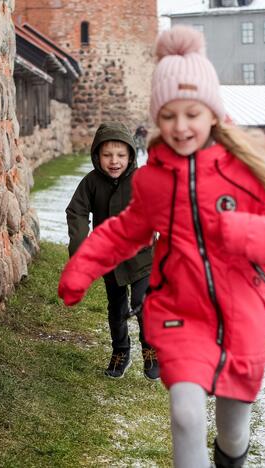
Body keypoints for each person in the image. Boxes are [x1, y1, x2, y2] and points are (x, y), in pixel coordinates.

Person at [58, 26, 265, 467]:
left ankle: (229, 456)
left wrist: (244, 233)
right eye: (169, 115)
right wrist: (81, 267)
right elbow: (123, 231)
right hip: (180, 312)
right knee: (186, 413)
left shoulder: (246, 171)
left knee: (233, 431)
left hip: (242, 317)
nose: (180, 126)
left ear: (212, 112)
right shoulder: (155, 179)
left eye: (192, 113)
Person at [65, 122, 158, 380]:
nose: (114, 161)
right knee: (116, 308)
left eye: (120, 155)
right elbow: (77, 211)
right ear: (97, 156)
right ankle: (121, 351)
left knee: (144, 305)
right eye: (107, 155)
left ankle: (151, 349)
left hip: (142, 258)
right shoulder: (92, 182)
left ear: (130, 156)